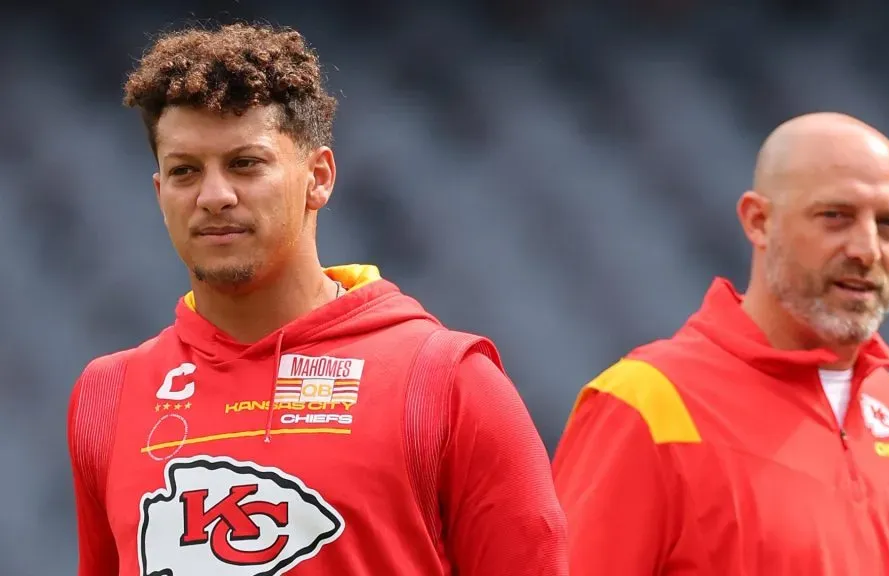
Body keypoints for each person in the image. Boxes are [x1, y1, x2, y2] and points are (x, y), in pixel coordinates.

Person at [66, 22, 567, 576]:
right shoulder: (108, 396)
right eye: (185, 171)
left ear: (319, 177)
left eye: (245, 164)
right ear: (161, 194)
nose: (214, 196)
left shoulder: (448, 383)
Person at [552, 112, 889, 575]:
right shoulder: (647, 406)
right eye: (835, 216)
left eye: (888, 224)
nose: (867, 250)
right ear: (758, 221)